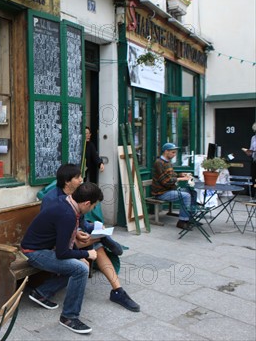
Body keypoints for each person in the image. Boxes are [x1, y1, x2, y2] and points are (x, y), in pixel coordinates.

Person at [51, 164, 139, 313]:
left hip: (73, 235)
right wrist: (78, 231)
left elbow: (82, 221)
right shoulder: (53, 198)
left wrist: (92, 227)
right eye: (78, 177)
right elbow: (53, 227)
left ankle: (118, 291)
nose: (81, 180)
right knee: (93, 242)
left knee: (96, 246)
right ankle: (104, 239)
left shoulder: (78, 194)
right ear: (67, 181)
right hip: (56, 240)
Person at [20, 182, 103, 334]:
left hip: (41, 247)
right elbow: (62, 253)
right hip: (33, 252)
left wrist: (77, 245)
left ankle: (41, 293)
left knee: (76, 266)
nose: (92, 209)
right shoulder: (68, 215)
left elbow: (63, 237)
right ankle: (69, 317)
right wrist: (85, 254)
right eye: (93, 206)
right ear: (86, 203)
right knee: (81, 269)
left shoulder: (66, 202)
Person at [151, 142, 196, 230]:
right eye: (173, 152)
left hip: (169, 190)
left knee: (192, 192)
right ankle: (182, 222)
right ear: (166, 151)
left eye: (175, 152)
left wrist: (180, 175)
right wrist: (181, 179)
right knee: (186, 196)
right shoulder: (159, 163)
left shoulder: (167, 162)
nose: (174, 154)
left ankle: (190, 218)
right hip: (161, 193)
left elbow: (171, 175)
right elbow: (165, 181)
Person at [243, 122, 256, 190]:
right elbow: (251, 150)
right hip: (254, 160)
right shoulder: (253, 138)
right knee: (254, 178)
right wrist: (247, 151)